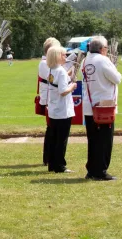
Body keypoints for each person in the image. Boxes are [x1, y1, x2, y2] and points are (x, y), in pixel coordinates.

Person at [81, 36, 122, 181]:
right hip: (104, 106)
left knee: (93, 140)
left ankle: (91, 170)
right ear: (102, 49)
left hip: (89, 105)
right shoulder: (103, 60)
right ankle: (100, 171)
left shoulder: (85, 60)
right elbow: (116, 78)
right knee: (104, 140)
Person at [45, 45, 77, 173]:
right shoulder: (61, 71)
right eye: (64, 55)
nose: (66, 57)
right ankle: (60, 165)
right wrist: (73, 86)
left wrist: (68, 76)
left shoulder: (53, 69)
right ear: (58, 56)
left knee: (54, 138)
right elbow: (63, 91)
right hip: (63, 110)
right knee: (61, 139)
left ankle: (52, 163)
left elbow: (57, 83)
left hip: (54, 108)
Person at [38, 38, 62, 166]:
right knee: (51, 129)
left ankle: (49, 157)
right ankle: (48, 157)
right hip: (49, 99)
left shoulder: (47, 63)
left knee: (52, 129)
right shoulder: (44, 63)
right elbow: (53, 79)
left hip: (51, 98)